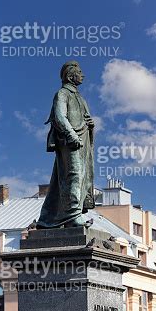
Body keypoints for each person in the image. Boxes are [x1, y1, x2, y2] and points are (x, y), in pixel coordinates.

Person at [36, 60, 95, 229]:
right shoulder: (62, 94)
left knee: (80, 178)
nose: (82, 75)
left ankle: (55, 216)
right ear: (70, 76)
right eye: (79, 72)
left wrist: (90, 124)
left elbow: (84, 118)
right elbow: (59, 117)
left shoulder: (81, 99)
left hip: (83, 141)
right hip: (71, 142)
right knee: (74, 175)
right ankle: (72, 215)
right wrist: (70, 134)